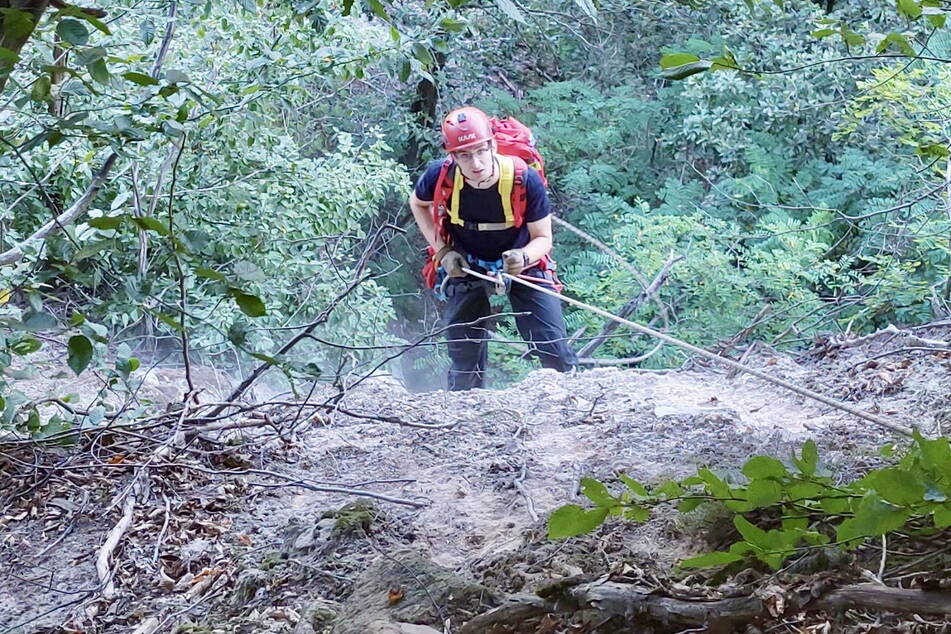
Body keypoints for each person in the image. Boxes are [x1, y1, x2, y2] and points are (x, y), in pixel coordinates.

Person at [409, 106, 578, 390]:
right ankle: (466, 413)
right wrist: (443, 251)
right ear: (452, 156)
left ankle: (570, 403)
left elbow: (543, 239)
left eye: (480, 151)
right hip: (466, 261)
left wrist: (523, 257)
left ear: (493, 145)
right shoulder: (442, 176)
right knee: (464, 354)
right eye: (464, 155)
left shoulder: (524, 179)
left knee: (553, 347)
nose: (475, 163)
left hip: (522, 260)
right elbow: (418, 203)